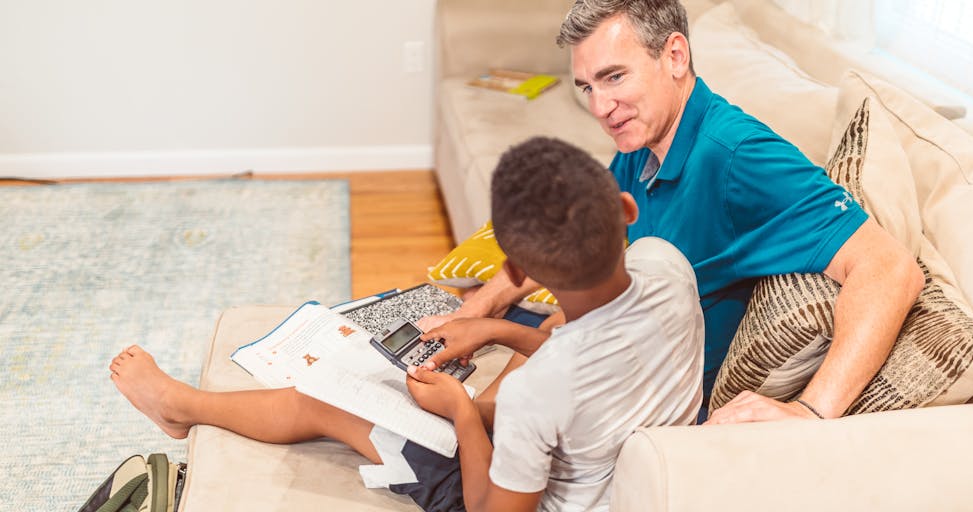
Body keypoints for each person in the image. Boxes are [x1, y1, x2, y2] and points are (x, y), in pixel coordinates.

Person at [110, 136, 704, 511]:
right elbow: (580, 347)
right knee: (458, 362)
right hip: (614, 443)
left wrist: (465, 414)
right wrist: (496, 330)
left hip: (548, 491)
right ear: (627, 213)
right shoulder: (667, 266)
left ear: (516, 268)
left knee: (329, 400)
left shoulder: (536, 391)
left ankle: (180, 406)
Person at [420, 0, 924, 424]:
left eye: (614, 77)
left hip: (645, 401)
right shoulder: (645, 138)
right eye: (587, 87)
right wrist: (475, 310)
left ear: (675, 55)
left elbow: (890, 268)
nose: (599, 106)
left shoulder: (736, 157)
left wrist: (813, 412)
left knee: (411, 425)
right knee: (399, 348)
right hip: (613, 346)